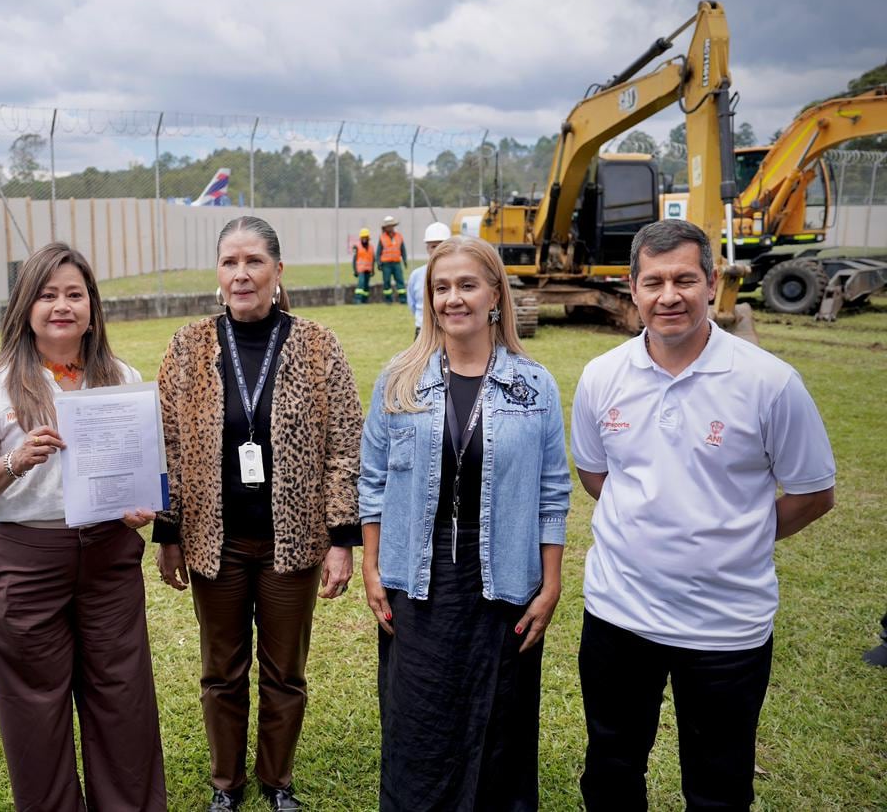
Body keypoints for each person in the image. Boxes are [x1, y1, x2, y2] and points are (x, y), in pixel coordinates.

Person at [570, 218, 837, 811]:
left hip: (726, 625)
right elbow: (596, 475)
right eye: (654, 281)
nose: (670, 296)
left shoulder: (769, 382)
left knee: (718, 782)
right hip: (619, 615)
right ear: (632, 288)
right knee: (611, 769)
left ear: (712, 283)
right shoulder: (601, 377)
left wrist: (734, 537)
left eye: (686, 279)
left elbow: (814, 493)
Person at [0, 242, 165, 811]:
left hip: (110, 557)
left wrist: (142, 506)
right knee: (34, 714)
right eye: (47, 295)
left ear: (92, 306)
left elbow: (146, 474)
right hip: (27, 561)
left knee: (124, 702)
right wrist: (16, 460)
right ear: (25, 307)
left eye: (74, 294)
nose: (61, 306)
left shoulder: (120, 376)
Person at [153, 215, 363, 812]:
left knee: (285, 674)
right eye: (229, 262)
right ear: (217, 273)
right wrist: (168, 533)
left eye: (253, 262)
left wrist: (342, 536)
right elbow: (167, 442)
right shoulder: (189, 346)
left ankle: (277, 782)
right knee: (221, 672)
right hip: (214, 545)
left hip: (292, 543)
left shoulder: (317, 344)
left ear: (277, 269)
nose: (241, 274)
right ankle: (226, 785)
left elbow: (346, 442)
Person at [360, 236, 570, 810]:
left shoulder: (534, 386)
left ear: (495, 294)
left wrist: (550, 583)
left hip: (504, 576)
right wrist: (372, 568)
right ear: (429, 298)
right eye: (442, 287)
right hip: (418, 576)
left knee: (499, 721)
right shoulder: (399, 380)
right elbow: (372, 481)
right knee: (419, 720)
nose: (454, 299)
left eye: (467, 285)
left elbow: (553, 490)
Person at [406, 221, 453, 337]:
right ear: (427, 248)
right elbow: (412, 304)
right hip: (422, 332)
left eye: (442, 245)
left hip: (449, 332)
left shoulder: (460, 274)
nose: (438, 250)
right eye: (433, 246)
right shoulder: (416, 275)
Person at [377, 215, 408, 304]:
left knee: (400, 281)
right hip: (386, 264)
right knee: (386, 282)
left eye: (391, 225)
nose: (390, 227)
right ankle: (388, 300)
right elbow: (378, 252)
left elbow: (403, 249)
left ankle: (403, 299)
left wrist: (405, 260)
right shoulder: (382, 237)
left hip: (396, 263)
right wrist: (378, 263)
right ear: (385, 227)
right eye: (388, 226)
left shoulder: (399, 236)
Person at [352, 227, 376, 304]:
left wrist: (373, 270)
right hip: (360, 270)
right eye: (363, 237)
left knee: (366, 286)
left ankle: (365, 300)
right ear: (361, 238)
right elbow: (354, 260)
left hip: (368, 270)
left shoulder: (371, 247)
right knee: (360, 284)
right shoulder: (357, 247)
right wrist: (355, 270)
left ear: (368, 238)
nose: (364, 239)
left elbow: (373, 259)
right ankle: (358, 299)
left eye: (366, 237)